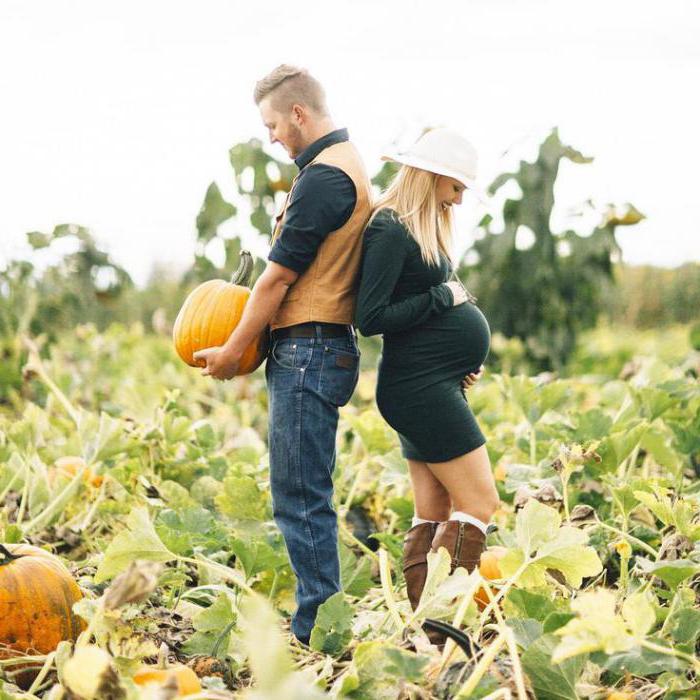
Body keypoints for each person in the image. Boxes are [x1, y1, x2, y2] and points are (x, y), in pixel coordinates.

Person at [193, 64, 372, 646]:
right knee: (304, 491)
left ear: (298, 113)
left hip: (311, 351)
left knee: (299, 495)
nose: (270, 136)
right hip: (319, 349)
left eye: (272, 123)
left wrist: (231, 350)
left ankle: (319, 630)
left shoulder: (324, 179)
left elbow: (274, 282)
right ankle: (321, 621)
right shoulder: (341, 167)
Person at [354, 128, 500, 645]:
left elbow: (425, 307)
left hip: (430, 382)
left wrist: (457, 358)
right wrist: (443, 299)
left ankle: (427, 634)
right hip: (418, 390)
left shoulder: (421, 227)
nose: (460, 198)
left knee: (433, 512)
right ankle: (447, 625)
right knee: (481, 504)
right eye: (456, 186)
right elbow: (370, 316)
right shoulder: (390, 228)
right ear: (432, 176)